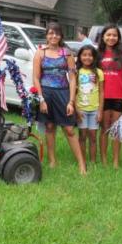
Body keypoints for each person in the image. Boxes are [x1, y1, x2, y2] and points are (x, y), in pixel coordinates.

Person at [33, 22, 87, 175]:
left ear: (61, 36)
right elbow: (36, 78)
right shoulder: (40, 53)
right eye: (50, 33)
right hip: (46, 94)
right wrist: (41, 99)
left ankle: (82, 164)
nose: (53, 36)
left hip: (63, 93)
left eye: (56, 33)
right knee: (49, 127)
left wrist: (71, 101)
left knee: (69, 129)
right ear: (46, 35)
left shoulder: (67, 53)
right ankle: (52, 160)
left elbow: (72, 78)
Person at [98, 24, 122, 168]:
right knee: (104, 127)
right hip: (101, 97)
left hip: (119, 96)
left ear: (118, 38)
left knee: (116, 129)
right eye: (108, 35)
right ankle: (104, 159)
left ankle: (116, 161)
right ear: (103, 37)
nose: (111, 38)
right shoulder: (97, 54)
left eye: (114, 35)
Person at [75, 45, 104, 164]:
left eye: (90, 55)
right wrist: (76, 109)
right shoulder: (76, 72)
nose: (87, 57)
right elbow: (73, 92)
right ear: (80, 57)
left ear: (94, 57)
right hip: (81, 109)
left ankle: (92, 161)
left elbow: (102, 92)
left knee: (93, 137)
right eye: (84, 55)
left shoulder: (99, 72)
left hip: (95, 110)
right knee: (82, 136)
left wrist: (100, 111)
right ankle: (82, 160)